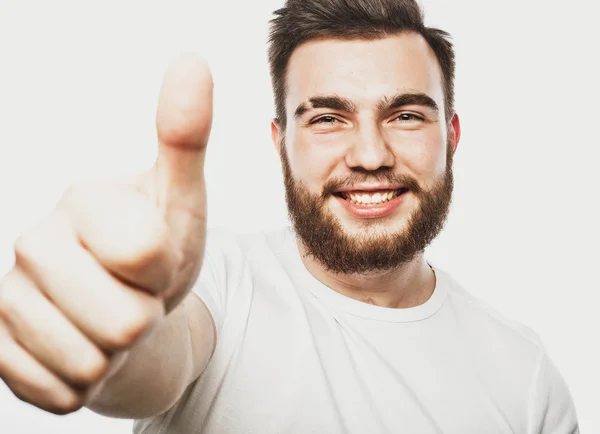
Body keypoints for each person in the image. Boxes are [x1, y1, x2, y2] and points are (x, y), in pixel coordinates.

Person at [0, 0, 579, 432]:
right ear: (282, 143)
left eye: (405, 115)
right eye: (328, 118)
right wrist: (110, 339)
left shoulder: (525, 379)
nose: (371, 155)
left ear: (451, 136)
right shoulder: (217, 282)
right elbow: (156, 356)